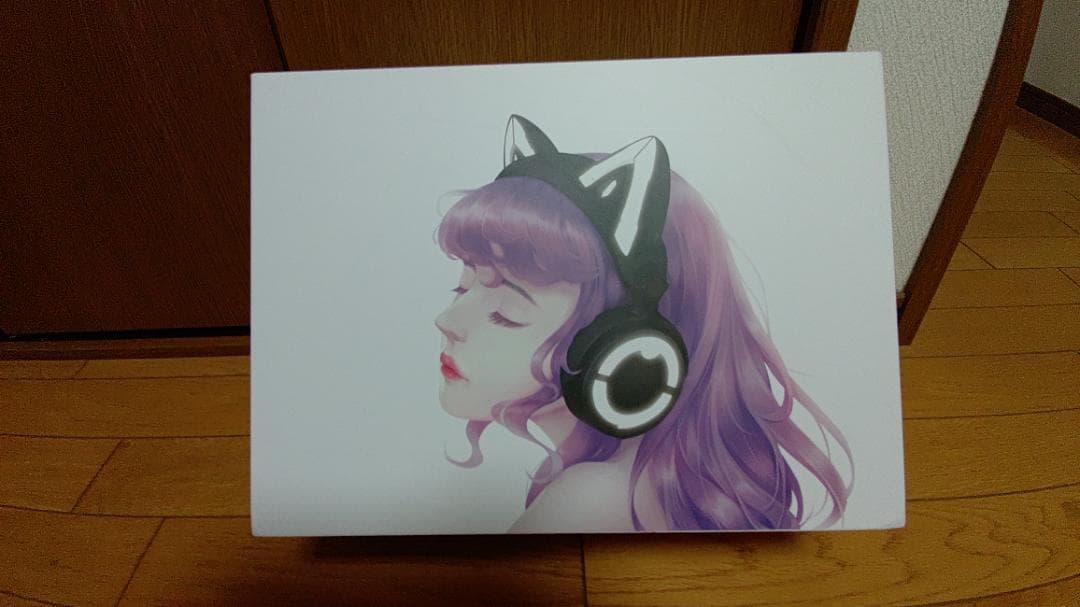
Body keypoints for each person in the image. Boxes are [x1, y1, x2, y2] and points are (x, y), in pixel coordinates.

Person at [434, 116, 852, 532]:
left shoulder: (586, 503)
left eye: (506, 312)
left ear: (624, 350)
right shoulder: (634, 484)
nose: (447, 322)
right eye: (463, 287)